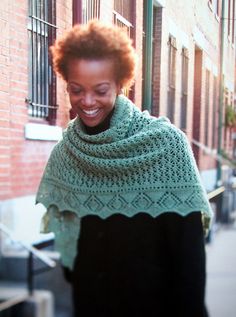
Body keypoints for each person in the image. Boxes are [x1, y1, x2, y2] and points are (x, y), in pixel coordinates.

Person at [36, 20, 212, 317]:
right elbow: (71, 256)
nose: (87, 101)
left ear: (120, 84)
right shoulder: (66, 153)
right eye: (76, 90)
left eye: (100, 90)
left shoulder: (166, 146)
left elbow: (190, 260)